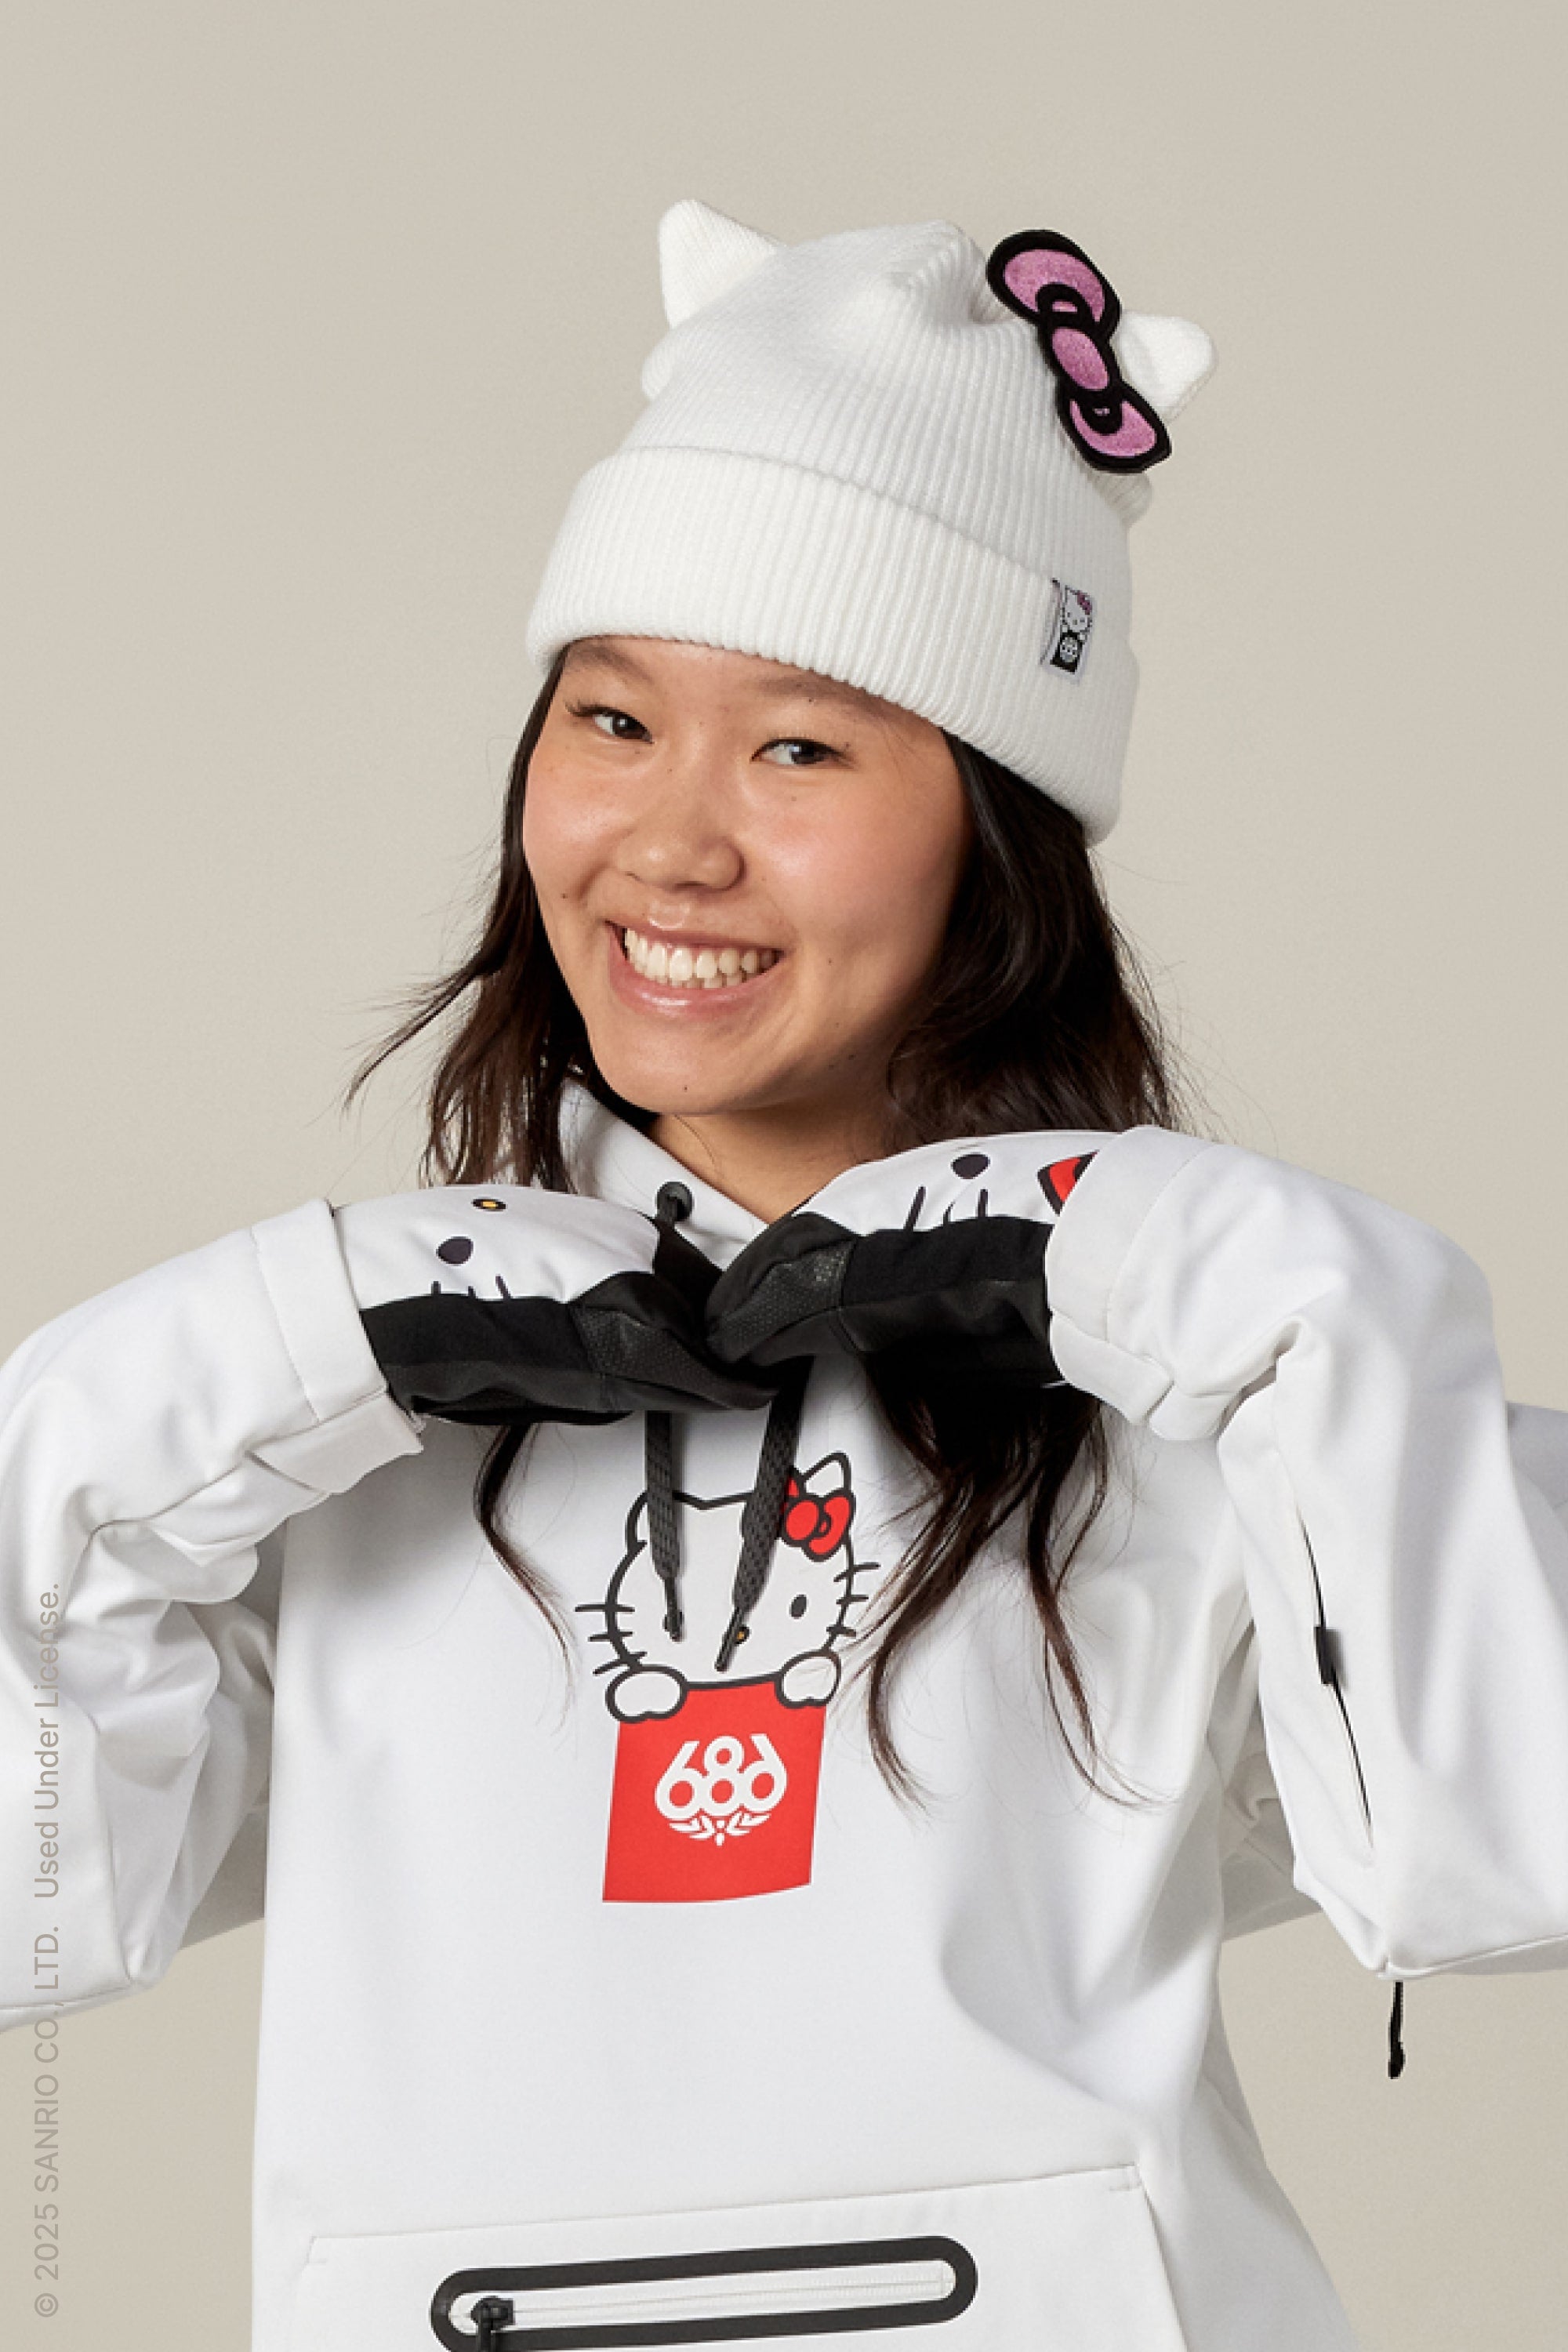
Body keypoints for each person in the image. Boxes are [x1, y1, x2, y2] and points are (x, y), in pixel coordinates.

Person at [2, 198, 1566, 2352]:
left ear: (993, 834)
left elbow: (1497, 1858)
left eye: (802, 746)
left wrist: (1295, 1299)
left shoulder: (1212, 1385)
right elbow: (30, 1907)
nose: (671, 844)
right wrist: (176, 1384)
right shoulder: (329, 1429)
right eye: (610, 719)